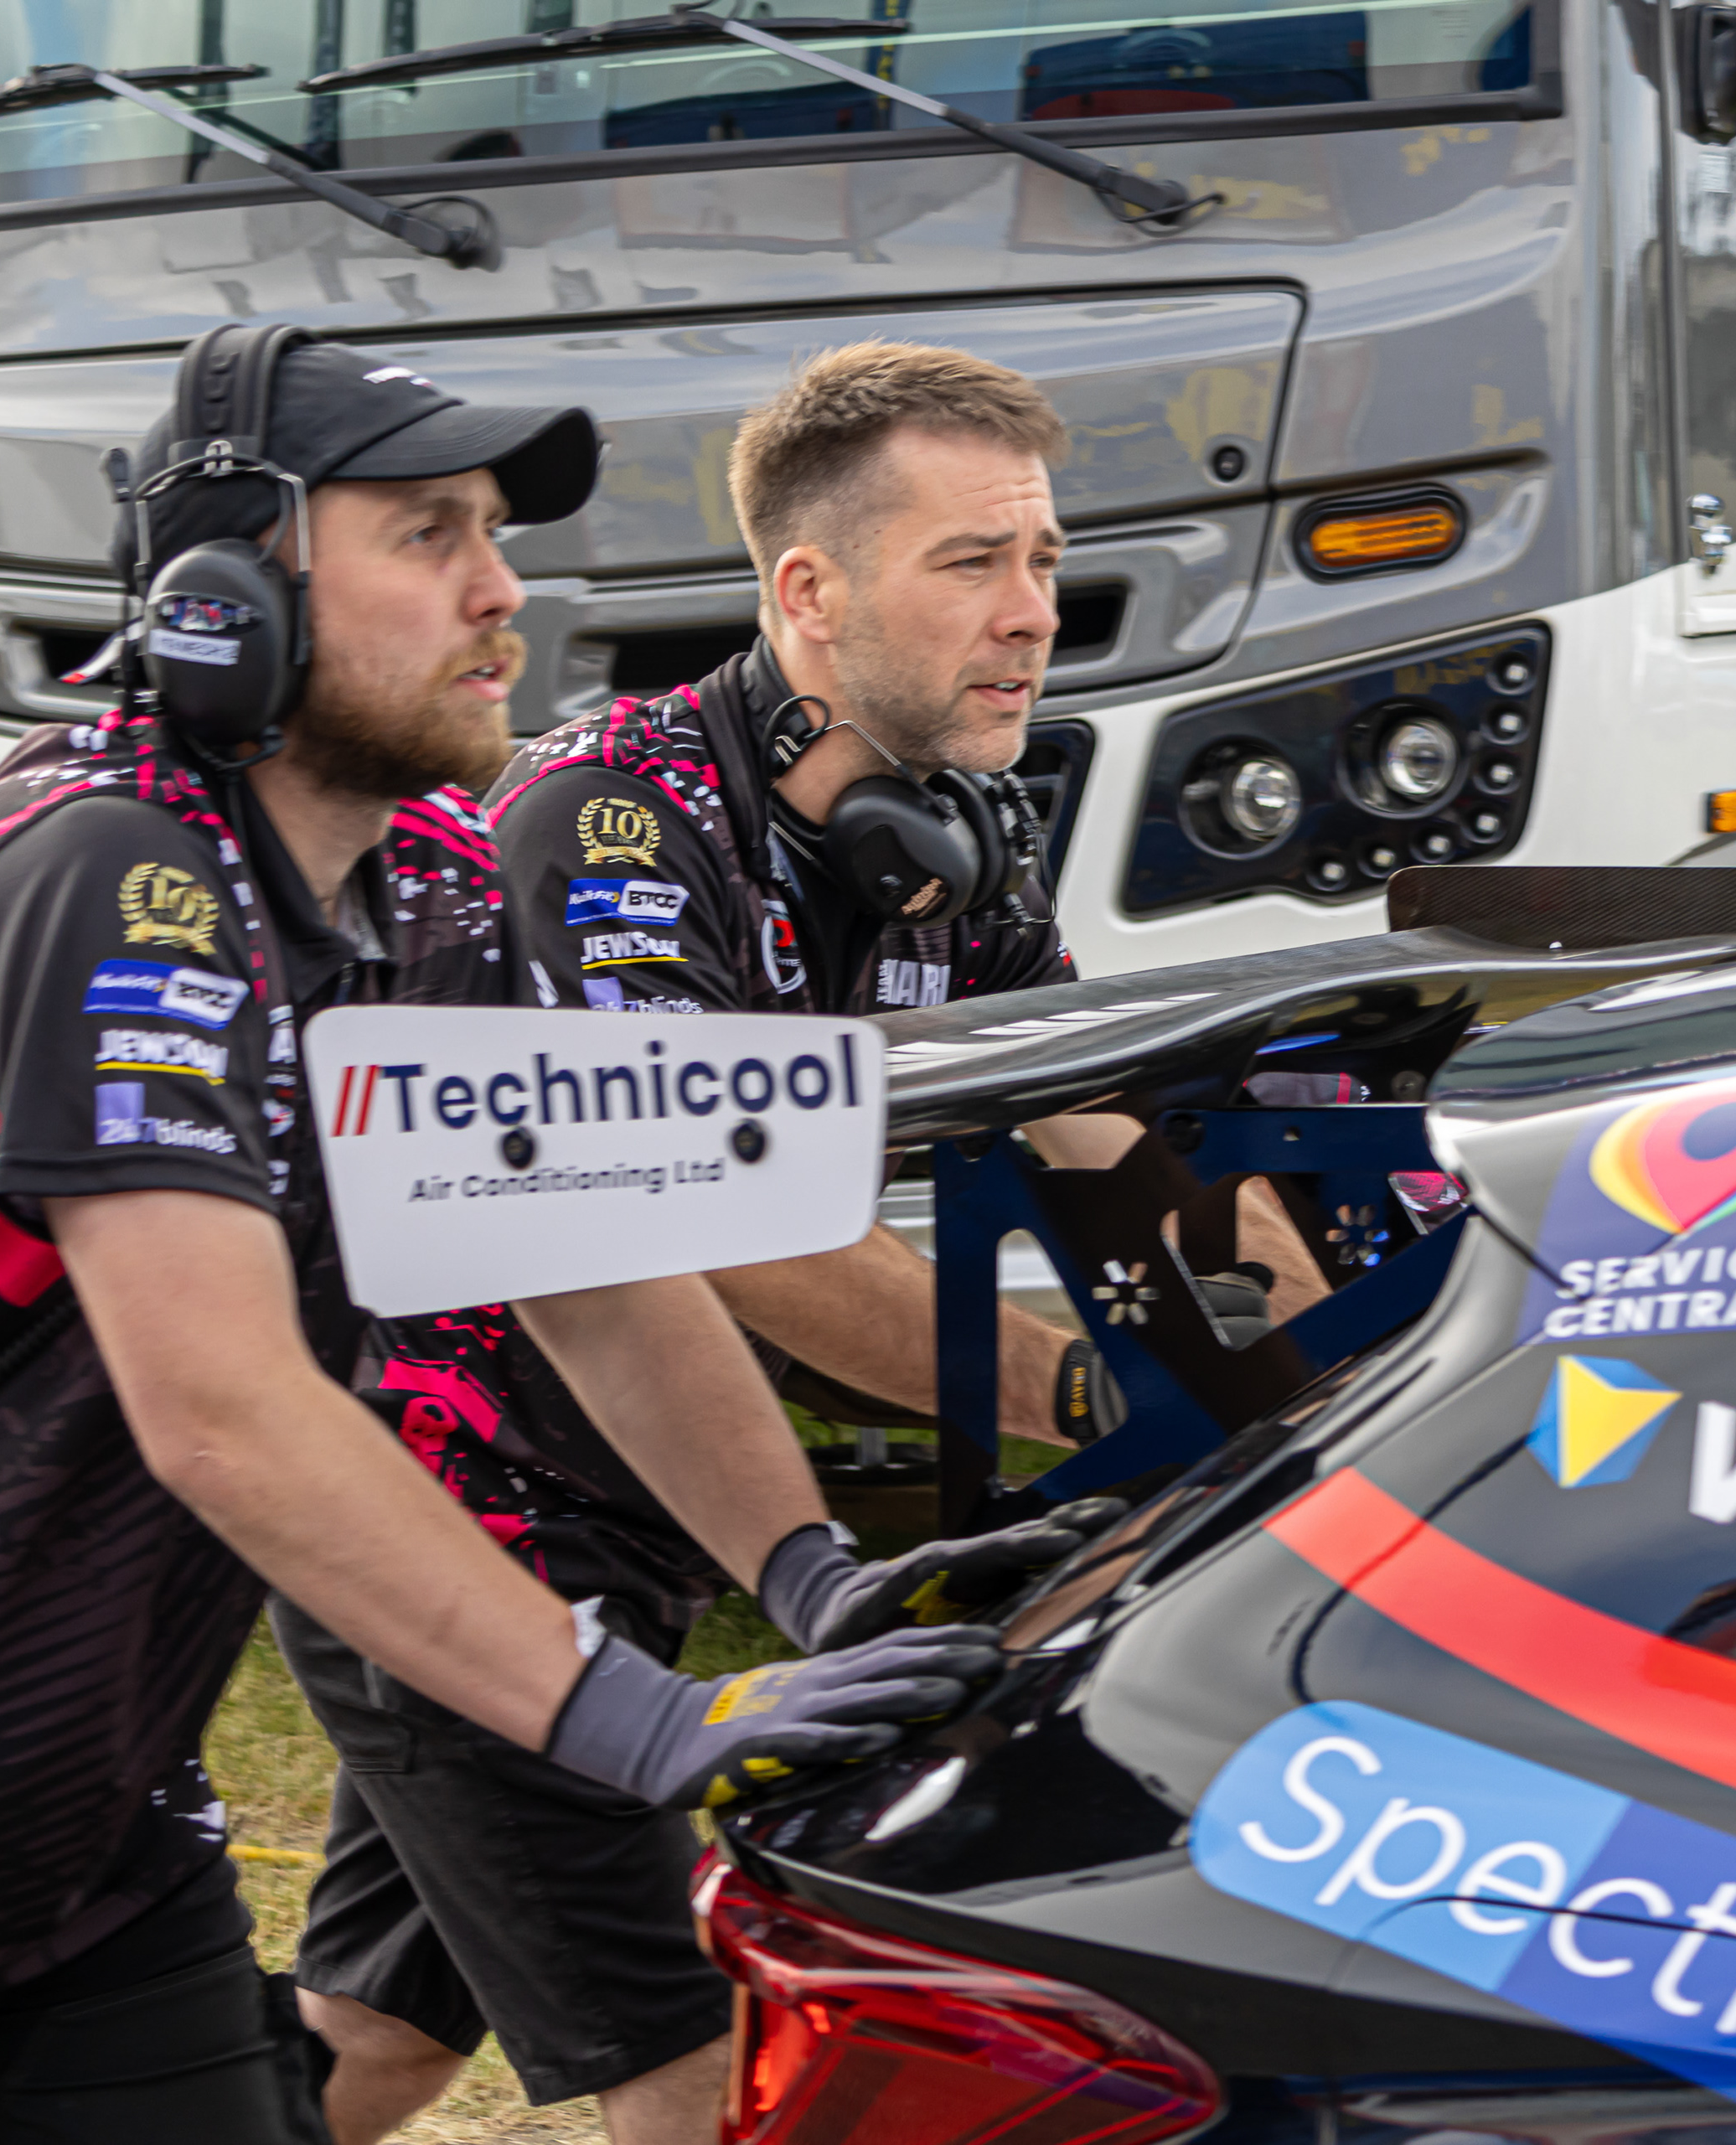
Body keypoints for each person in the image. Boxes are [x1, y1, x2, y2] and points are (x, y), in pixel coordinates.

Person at [0, 328, 1026, 2145]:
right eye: (427, 533)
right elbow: (222, 1404)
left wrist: (814, 1576)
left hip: (76, 1862)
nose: (501, 590)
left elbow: (588, 1257)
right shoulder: (108, 871)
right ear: (227, 603)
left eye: (495, 532)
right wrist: (641, 1722)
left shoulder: (428, 881)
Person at [271, 341, 1327, 2144]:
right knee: (711, 2065)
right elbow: (717, 1224)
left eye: (1043, 558)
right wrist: (1094, 1394)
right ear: (810, 592)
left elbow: (1115, 1147)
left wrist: (1325, 1373)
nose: (1033, 611)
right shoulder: (608, 823)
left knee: (377, 2040)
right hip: (452, 1513)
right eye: (971, 561)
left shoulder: (957, 844)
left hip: (636, 1503)